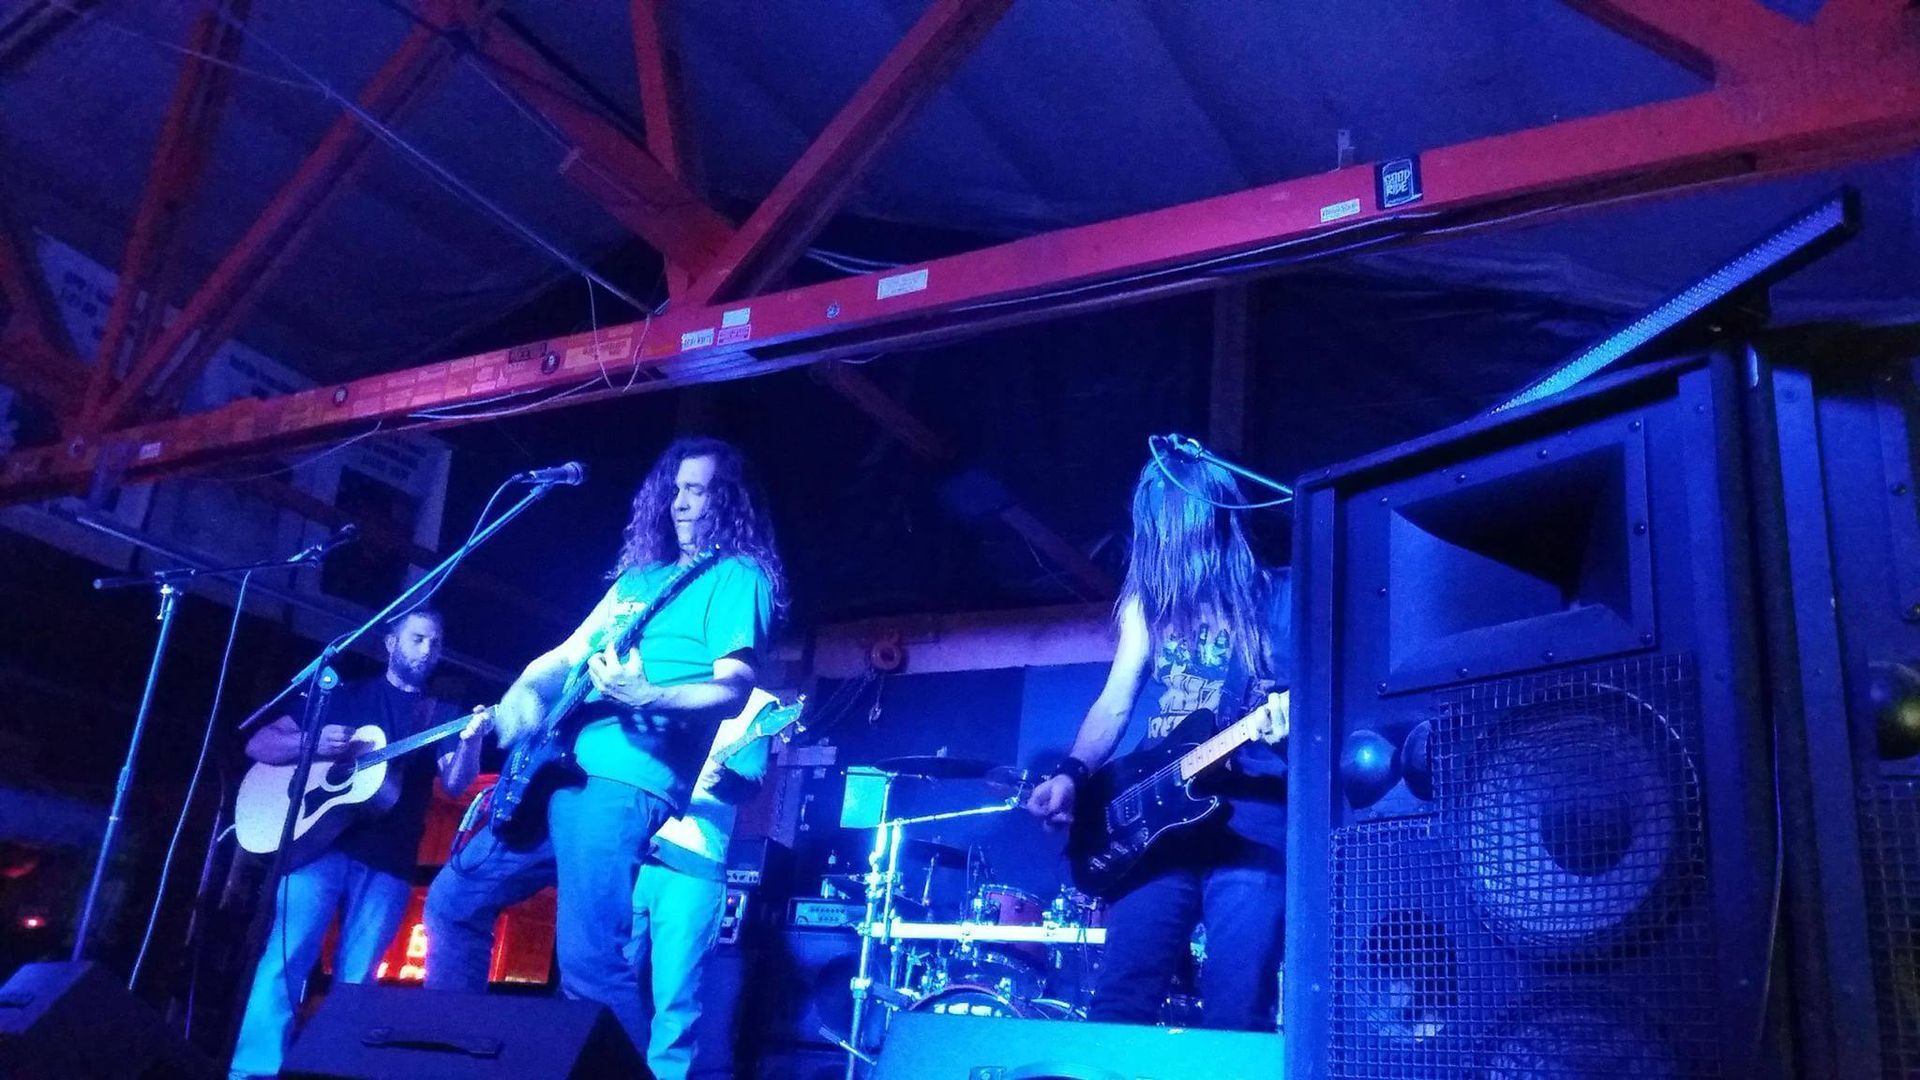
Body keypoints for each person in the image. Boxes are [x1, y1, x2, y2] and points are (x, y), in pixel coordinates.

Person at [464, 437, 783, 1053]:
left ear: (728, 499)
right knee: (455, 903)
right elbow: (566, 653)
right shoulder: (639, 578)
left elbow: (735, 690)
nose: (681, 504)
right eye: (677, 489)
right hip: (557, 769)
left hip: (625, 777)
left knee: (589, 965)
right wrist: (527, 692)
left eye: (698, 490)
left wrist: (646, 694)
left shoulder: (738, 576)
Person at [1024, 453, 1292, 1031]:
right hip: (1155, 817)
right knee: (1121, 1001)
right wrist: (1072, 772)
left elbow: (1315, 716)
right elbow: (1115, 700)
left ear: (1211, 524)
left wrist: (1290, 729)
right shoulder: (1149, 603)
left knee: (1237, 1010)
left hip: (1254, 819)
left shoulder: (1280, 601)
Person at [422, 692, 773, 1080]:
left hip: (682, 853)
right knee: (457, 907)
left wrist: (720, 779)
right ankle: (457, 1060)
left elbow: (748, 782)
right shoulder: (613, 642)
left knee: (656, 993)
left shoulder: (756, 702)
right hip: (577, 799)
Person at [230, 609, 486, 1079]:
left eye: (435, 642)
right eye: (417, 639)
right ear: (390, 642)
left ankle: (326, 1072)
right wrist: (313, 742)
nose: (427, 649)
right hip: (317, 850)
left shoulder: (441, 714)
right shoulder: (343, 697)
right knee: (285, 961)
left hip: (389, 860)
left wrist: (470, 742)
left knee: (357, 982)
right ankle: (253, 1072)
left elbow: (455, 782)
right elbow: (259, 745)